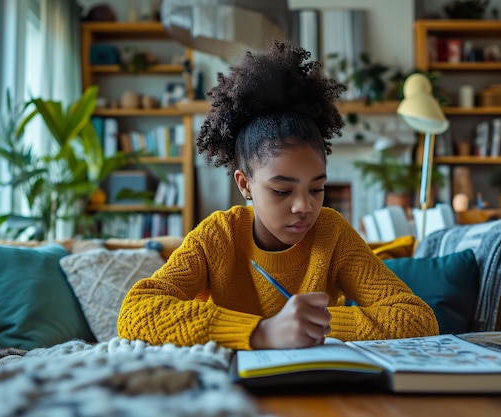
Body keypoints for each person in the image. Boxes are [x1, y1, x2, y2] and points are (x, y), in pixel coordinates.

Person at [118, 41, 439, 350]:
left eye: (317, 188)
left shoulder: (331, 233)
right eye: (282, 190)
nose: (305, 206)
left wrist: (315, 324)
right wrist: (261, 331)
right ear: (244, 185)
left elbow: (417, 318)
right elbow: (136, 312)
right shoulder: (216, 237)